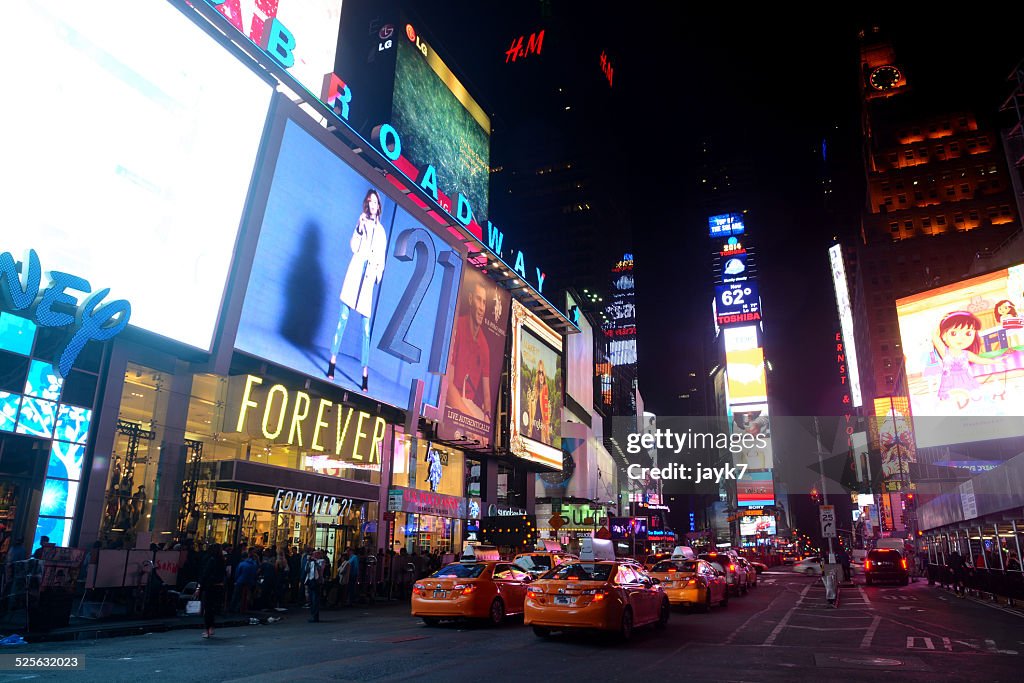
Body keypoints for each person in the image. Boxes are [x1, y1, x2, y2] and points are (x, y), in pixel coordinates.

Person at [327, 189, 388, 392]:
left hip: (368, 279)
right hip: (355, 274)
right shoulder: (361, 221)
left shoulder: (381, 232)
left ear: (379, 205)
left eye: (375, 202)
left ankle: (364, 373)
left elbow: (381, 260)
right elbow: (353, 246)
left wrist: (377, 275)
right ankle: (332, 361)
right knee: (342, 320)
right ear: (367, 204)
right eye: (369, 201)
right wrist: (360, 229)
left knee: (365, 330)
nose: (372, 205)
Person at [932, 310, 1007, 408]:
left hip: (966, 380)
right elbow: (934, 336)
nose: (962, 338)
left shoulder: (966, 354)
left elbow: (980, 360)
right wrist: (942, 319)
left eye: (968, 333)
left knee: (970, 401)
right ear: (943, 336)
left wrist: (995, 361)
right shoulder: (944, 352)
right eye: (954, 333)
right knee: (952, 403)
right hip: (949, 382)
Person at [446, 280, 493, 420]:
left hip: (469, 409)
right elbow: (447, 385)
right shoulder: (457, 327)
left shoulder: (484, 345)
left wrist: (486, 418)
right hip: (451, 405)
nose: (482, 307)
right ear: (471, 299)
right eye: (479, 300)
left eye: (484, 302)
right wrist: (470, 419)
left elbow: (487, 398)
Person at [196, 543, 226, 638]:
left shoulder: (211, 560)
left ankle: (207, 630)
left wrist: (199, 587)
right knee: (212, 608)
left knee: (208, 608)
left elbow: (205, 574)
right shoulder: (222, 561)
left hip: (210, 586)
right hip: (219, 586)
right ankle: (211, 628)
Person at [527, 359, 551, 442]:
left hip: (541, 429)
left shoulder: (545, 390)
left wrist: (547, 432)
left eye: (542, 373)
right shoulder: (535, 390)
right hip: (534, 427)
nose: (541, 376)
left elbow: (546, 413)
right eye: (539, 373)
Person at [305, 550, 326, 622]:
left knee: (315, 599)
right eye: (313, 554)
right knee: (310, 599)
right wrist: (308, 562)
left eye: (315, 554)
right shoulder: (310, 562)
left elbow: (320, 569)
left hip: (317, 581)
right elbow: (306, 570)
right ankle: (312, 615)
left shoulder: (322, 561)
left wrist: (315, 561)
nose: (313, 555)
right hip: (310, 581)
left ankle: (315, 617)